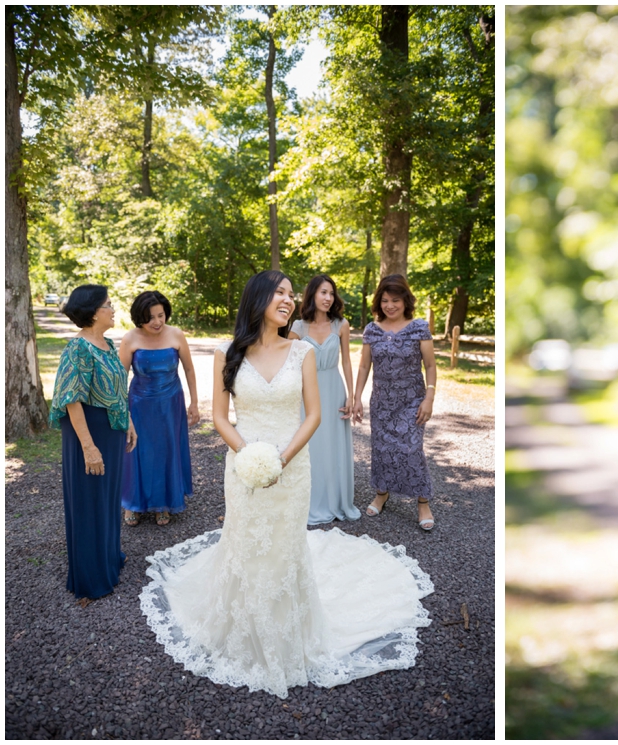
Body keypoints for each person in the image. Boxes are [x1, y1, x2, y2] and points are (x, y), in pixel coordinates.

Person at [139, 270, 433, 698]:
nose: (289, 300)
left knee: (284, 544)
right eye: (280, 292)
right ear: (257, 296)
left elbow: (313, 414)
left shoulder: (302, 354)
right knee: (245, 540)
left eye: (291, 295)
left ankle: (286, 630)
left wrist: (281, 458)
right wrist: (248, 455)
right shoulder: (226, 352)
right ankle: (243, 622)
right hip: (243, 465)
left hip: (293, 465)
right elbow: (221, 417)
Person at [49, 285, 137, 606]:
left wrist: (128, 421)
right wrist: (88, 446)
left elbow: (117, 390)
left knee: (107, 498)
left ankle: (110, 559)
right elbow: (71, 400)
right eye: (108, 305)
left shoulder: (107, 344)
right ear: (93, 312)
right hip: (87, 432)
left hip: (111, 431)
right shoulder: (78, 349)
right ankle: (91, 578)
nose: (113, 309)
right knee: (89, 501)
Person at [353, 274, 437, 531]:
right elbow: (365, 365)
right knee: (381, 449)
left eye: (396, 300)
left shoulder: (419, 327)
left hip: (412, 401)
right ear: (379, 302)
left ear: (406, 301)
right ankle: (382, 493)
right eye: (385, 300)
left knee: (411, 450)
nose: (390, 305)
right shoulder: (372, 330)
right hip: (381, 403)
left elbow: (431, 365)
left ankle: (423, 501)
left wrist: (429, 398)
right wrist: (356, 397)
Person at [119, 291, 198, 527]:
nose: (157, 322)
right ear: (139, 317)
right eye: (150, 317)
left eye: (161, 315)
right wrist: (124, 413)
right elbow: (120, 378)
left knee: (167, 450)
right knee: (139, 450)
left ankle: (163, 502)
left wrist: (194, 402)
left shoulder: (176, 334)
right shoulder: (130, 338)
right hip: (140, 404)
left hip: (171, 403)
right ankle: (132, 503)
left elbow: (189, 370)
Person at [288, 274, 358, 523]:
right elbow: (287, 362)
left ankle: (333, 500)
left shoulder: (341, 325)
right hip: (306, 391)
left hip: (333, 387)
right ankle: (307, 499)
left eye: (331, 293)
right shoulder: (297, 327)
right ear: (312, 294)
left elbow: (347, 362)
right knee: (310, 444)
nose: (328, 298)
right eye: (323, 293)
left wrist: (352, 395)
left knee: (331, 444)